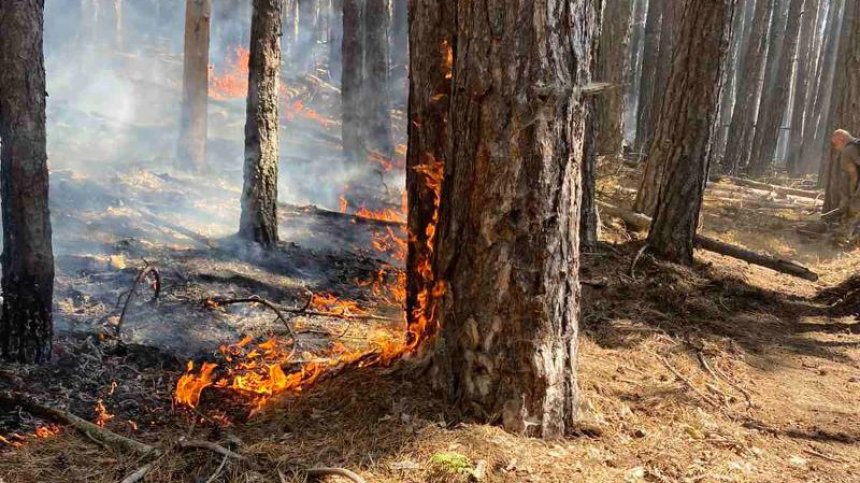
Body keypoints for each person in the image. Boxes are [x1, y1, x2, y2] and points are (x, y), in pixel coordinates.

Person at [832, 129, 860, 236]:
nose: (834, 147)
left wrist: (851, 194)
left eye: (834, 143)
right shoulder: (857, 144)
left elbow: (853, 176)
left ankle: (847, 238)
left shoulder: (847, 151)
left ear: (841, 139)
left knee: (853, 210)